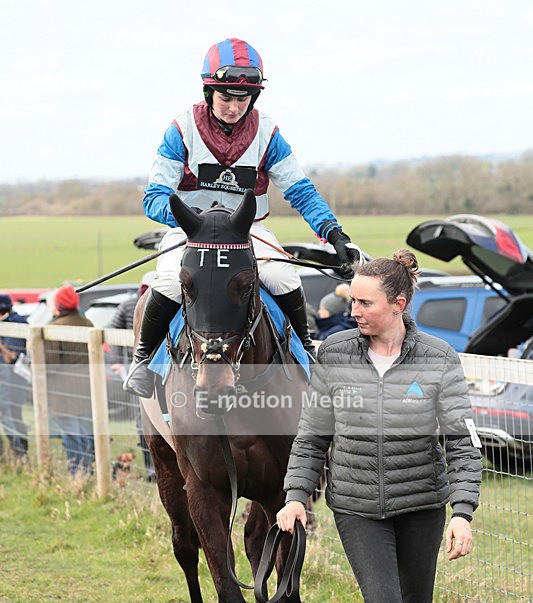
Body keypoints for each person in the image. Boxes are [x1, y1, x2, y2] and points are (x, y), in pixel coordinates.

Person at [276, 249, 482, 603]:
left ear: (399, 304)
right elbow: (313, 434)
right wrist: (297, 494)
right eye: (353, 300)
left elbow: (461, 444)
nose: (355, 311)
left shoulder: (437, 357)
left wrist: (462, 511)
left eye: (365, 303)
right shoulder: (337, 354)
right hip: (357, 504)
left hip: (421, 504)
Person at [123, 37, 360, 398]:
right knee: (171, 281)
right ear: (209, 93)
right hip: (191, 232)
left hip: (246, 231)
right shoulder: (181, 129)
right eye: (226, 98)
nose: (234, 107)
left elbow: (300, 191)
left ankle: (306, 353)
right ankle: (144, 361)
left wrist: (334, 233)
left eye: (242, 99)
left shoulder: (268, 133)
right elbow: (154, 197)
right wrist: (195, 219)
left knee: (282, 275)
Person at [109, 271, 156, 480]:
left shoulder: (167, 303)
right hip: (134, 366)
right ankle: (150, 469)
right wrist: (118, 362)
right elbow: (112, 331)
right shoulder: (129, 305)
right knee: (141, 420)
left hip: (160, 365)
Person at [45, 285, 95, 477]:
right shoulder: (87, 323)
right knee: (82, 430)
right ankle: (87, 469)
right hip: (85, 386)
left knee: (71, 432)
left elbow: (50, 365)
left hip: (62, 391)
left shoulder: (54, 328)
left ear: (58, 305)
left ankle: (77, 473)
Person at [0, 294, 29, 458]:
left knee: (12, 416)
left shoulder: (15, 324)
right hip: (6, 380)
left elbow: (10, 356)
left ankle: (20, 453)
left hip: (13, 381)